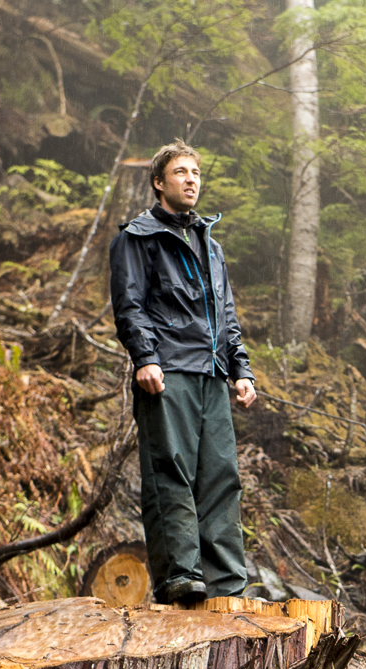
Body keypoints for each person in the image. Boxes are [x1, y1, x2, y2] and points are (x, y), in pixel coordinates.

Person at [109, 141, 259, 608]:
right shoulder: (136, 238)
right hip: (167, 369)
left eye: (196, 171)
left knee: (220, 476)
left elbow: (226, 314)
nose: (192, 179)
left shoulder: (211, 247)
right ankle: (181, 577)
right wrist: (145, 357)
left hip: (212, 374)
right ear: (159, 182)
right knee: (168, 472)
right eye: (180, 172)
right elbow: (129, 305)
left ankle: (227, 584)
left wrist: (240, 369)